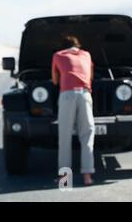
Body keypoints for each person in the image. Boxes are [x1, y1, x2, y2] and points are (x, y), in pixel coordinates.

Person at [52, 35, 95, 186]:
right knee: (87, 135)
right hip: (85, 95)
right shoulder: (86, 55)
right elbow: (90, 76)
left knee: (65, 137)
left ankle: (65, 179)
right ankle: (87, 177)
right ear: (78, 45)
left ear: (63, 46)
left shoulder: (58, 55)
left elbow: (55, 81)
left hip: (67, 96)